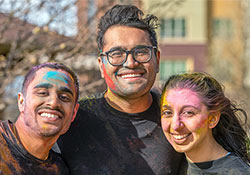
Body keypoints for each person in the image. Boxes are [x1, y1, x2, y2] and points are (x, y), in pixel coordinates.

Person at [57, 4, 185, 175]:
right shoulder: (72, 120)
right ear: (101, 66)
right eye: (116, 54)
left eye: (141, 51)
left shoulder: (178, 119)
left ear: (158, 60)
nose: (130, 63)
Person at [160, 72, 250, 175]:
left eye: (188, 113)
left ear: (212, 119)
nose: (175, 125)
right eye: (167, 113)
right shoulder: (176, 166)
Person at [0, 62, 79, 174]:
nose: (53, 103)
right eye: (42, 93)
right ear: (22, 102)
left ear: (74, 113)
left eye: (64, 97)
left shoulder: (60, 170)